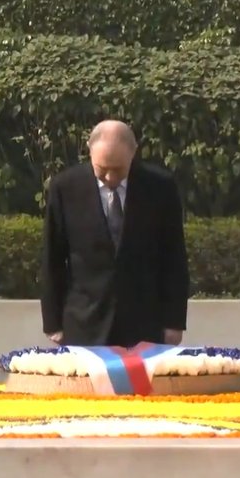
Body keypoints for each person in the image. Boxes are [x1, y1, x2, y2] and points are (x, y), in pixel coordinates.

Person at [40, 119, 189, 348]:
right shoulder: (65, 188)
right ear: (89, 152)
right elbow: (53, 258)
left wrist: (174, 321)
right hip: (84, 322)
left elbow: (174, 257)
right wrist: (52, 323)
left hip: (145, 322)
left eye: (118, 169)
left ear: (133, 153)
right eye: (102, 169)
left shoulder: (161, 188)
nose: (110, 178)